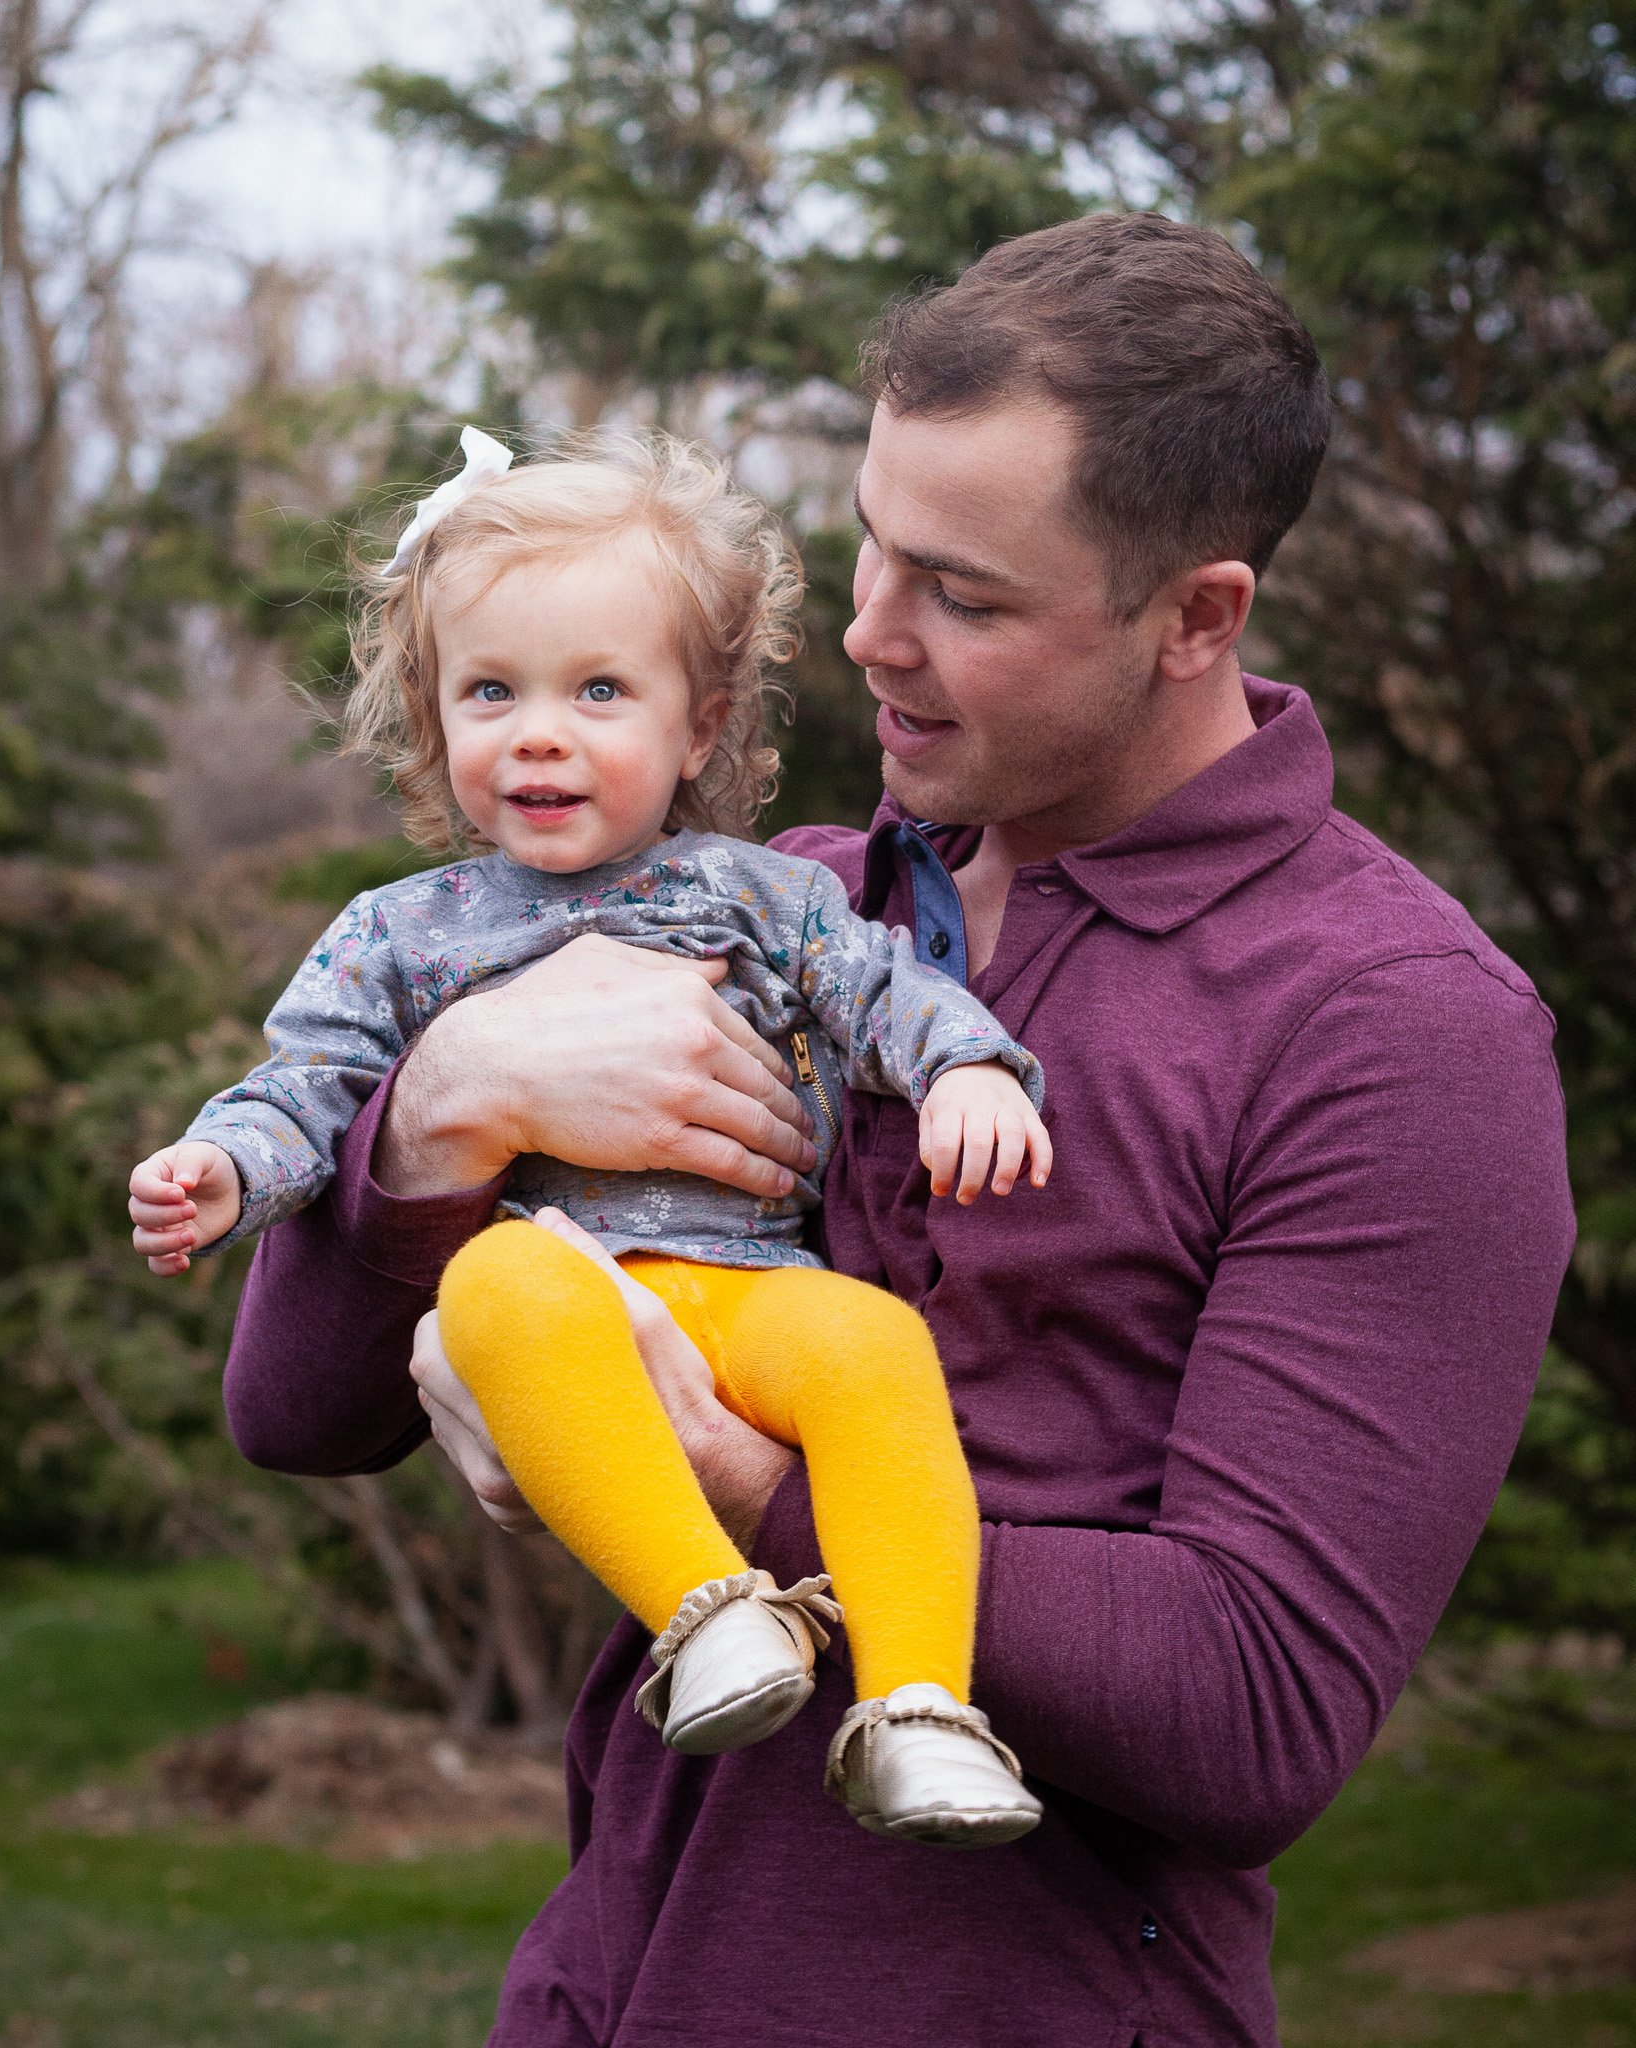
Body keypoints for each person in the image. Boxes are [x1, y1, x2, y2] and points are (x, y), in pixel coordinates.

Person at [208, 214, 1575, 2047]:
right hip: (608, 1983)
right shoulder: (781, 907)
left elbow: (1257, 1712)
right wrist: (433, 1124)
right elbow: (299, 1414)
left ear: (1197, 618)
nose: (865, 633)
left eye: (966, 595)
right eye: (869, 540)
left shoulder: (1395, 1028)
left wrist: (738, 1484)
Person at [127, 429, 1053, 1846]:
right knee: (497, 1286)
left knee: (874, 1350)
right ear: (434, 722)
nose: (538, 731)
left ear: (699, 725)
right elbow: (304, 1089)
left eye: (599, 689)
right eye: (489, 690)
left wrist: (968, 1071)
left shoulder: (762, 895)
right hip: (558, 1289)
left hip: (746, 1293)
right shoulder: (401, 933)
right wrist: (224, 1169)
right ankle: (710, 1616)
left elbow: (887, 992)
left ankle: (919, 1706)